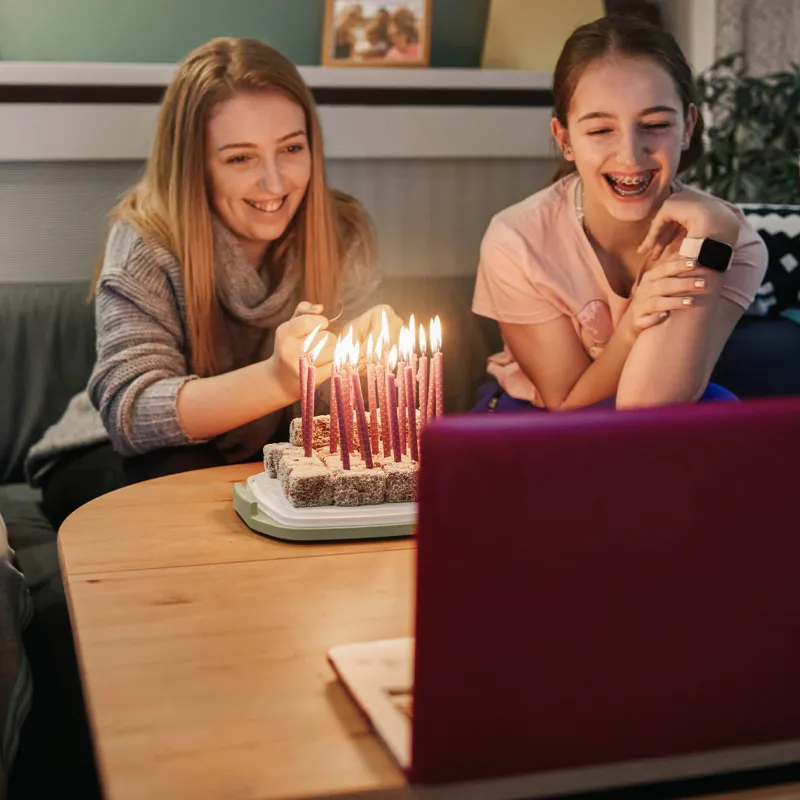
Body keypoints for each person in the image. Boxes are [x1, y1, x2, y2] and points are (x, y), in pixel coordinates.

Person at [27, 37, 400, 530]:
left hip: (259, 456)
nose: (275, 182)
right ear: (195, 165)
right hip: (111, 457)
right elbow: (132, 413)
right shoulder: (145, 242)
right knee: (197, 482)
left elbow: (336, 426)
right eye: (240, 158)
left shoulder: (343, 230)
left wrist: (365, 369)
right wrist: (277, 379)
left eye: (291, 148)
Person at [472, 14, 767, 412]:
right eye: (599, 130)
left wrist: (709, 238)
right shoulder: (517, 240)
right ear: (565, 139)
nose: (630, 155)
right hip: (537, 417)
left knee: (720, 407)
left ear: (688, 126)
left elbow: (652, 402)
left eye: (656, 124)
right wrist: (632, 325)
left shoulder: (729, 239)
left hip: (657, 411)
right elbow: (565, 400)